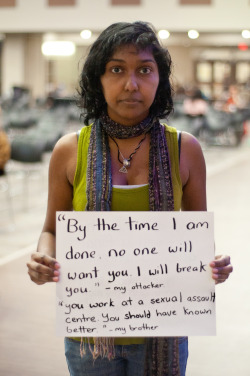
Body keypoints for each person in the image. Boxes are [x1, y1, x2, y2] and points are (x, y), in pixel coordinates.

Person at [27, 21, 233, 376]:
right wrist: (44, 258)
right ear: (98, 79)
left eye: (145, 70)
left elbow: (195, 236)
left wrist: (211, 263)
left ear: (160, 80)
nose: (131, 83)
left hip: (164, 329)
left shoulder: (185, 149)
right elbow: (51, 230)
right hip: (90, 334)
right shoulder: (69, 150)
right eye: (116, 69)